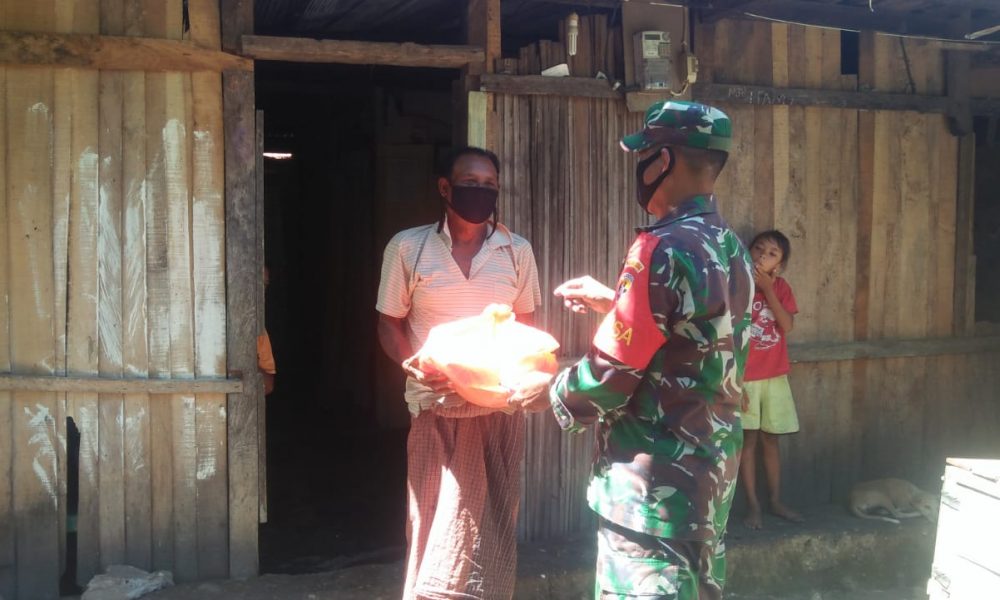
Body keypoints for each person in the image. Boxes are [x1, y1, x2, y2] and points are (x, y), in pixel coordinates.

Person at [515, 101, 753, 600]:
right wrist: (616, 301)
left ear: (663, 160)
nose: (639, 168)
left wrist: (543, 393)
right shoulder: (728, 245)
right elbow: (703, 335)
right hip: (710, 476)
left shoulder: (659, 247)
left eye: (643, 155)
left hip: (652, 483)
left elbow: (611, 373)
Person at [375, 146, 542, 600]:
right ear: (445, 188)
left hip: (498, 411)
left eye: (490, 185)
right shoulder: (408, 248)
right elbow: (389, 323)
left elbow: (525, 330)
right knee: (433, 517)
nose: (480, 192)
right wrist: (412, 362)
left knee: (494, 517)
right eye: (470, 182)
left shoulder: (517, 252)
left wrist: (507, 378)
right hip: (435, 409)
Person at [738, 230, 801, 529]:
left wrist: (769, 289)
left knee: (771, 440)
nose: (763, 255)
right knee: (746, 441)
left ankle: (775, 500)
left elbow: (786, 325)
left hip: (775, 377)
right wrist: (734, 382)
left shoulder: (783, 288)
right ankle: (753, 506)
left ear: (780, 265)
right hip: (745, 379)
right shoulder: (737, 287)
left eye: (772, 253)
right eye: (758, 249)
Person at [258, 266, 276, 396]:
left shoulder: (259, 331)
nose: (261, 292)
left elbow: (268, 385)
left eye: (264, 286)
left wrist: (246, 360)